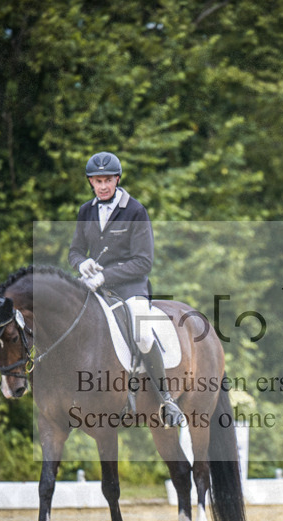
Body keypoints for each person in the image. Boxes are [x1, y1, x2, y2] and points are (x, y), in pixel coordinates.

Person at [68, 151, 183, 427]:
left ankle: (166, 399)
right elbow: (74, 250)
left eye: (108, 180)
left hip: (131, 287)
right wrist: (82, 263)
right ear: (91, 182)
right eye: (98, 181)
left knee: (142, 334)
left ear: (117, 179)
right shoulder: (86, 211)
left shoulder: (135, 211)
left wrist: (104, 276)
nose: (103, 186)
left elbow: (143, 262)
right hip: (95, 287)